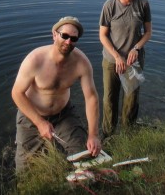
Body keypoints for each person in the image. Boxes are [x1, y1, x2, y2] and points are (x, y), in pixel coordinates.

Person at [11, 16, 102, 171]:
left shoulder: (81, 62)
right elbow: (16, 93)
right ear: (54, 35)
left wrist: (93, 134)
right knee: (24, 169)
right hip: (31, 116)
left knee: (85, 155)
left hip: (63, 115)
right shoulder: (35, 59)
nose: (68, 42)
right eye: (64, 36)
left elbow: (91, 98)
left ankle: (76, 182)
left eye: (73, 38)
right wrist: (40, 123)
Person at [98, 0, 152, 137]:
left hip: (133, 61)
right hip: (111, 60)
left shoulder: (142, 4)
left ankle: (128, 134)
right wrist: (116, 56)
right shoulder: (110, 5)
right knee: (109, 99)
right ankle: (108, 135)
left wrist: (136, 48)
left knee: (131, 99)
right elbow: (102, 35)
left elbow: (148, 32)